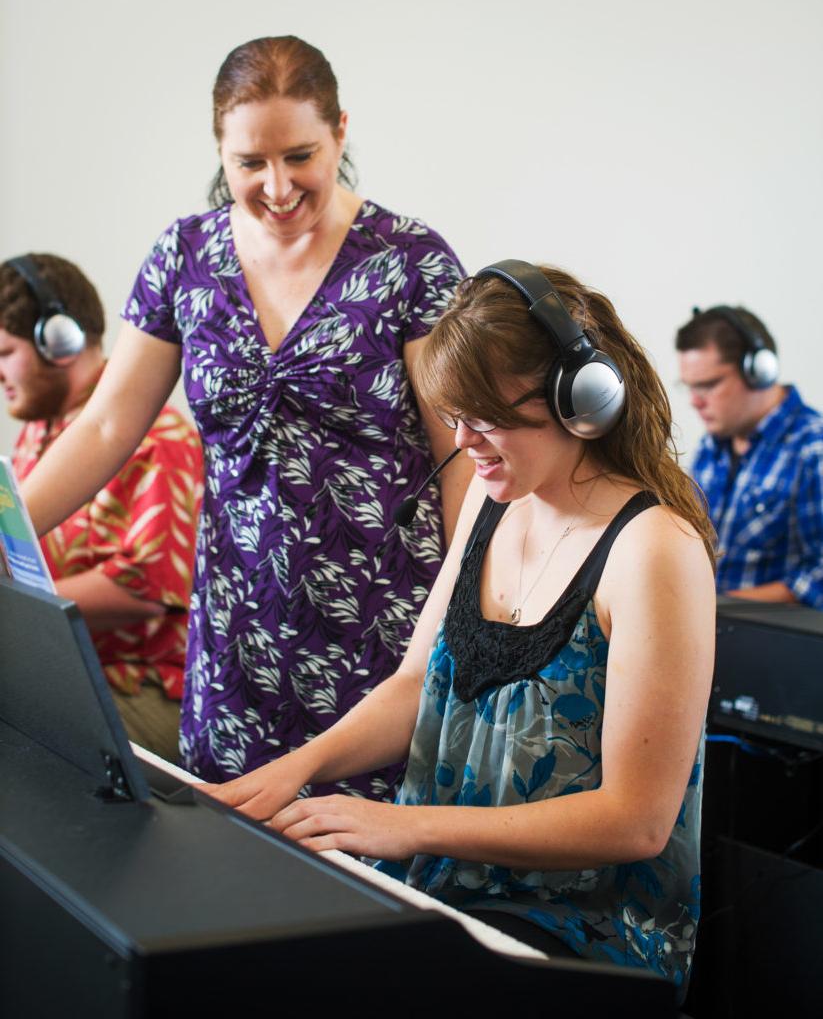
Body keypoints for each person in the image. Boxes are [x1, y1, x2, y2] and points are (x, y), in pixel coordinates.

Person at [205, 262, 716, 1000]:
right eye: (455, 417)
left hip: (577, 928)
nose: (465, 441)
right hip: (447, 889)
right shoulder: (494, 496)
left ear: (583, 400)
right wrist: (294, 769)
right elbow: (417, 683)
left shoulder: (653, 550)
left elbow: (635, 823)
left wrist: (407, 828)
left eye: (487, 417)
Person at [20, 37, 472, 791]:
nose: (277, 185)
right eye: (249, 164)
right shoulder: (183, 257)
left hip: (386, 632)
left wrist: (463, 621)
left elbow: (464, 461)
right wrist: (10, 526)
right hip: (237, 633)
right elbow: (103, 427)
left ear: (341, 132)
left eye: (300, 155)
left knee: (368, 877)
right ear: (219, 151)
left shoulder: (409, 261)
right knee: (231, 867)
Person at [0, 253, 202, 761]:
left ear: (59, 341)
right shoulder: (34, 438)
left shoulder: (160, 438)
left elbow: (145, 592)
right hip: (69, 673)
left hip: (147, 686)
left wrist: (22, 610)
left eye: (5, 353)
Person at [677, 304, 823, 607]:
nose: (695, 401)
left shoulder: (812, 450)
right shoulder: (710, 449)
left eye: (708, 385)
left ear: (759, 372)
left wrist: (715, 606)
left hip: (773, 646)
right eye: (689, 387)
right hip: (712, 632)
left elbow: (818, 577)